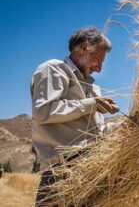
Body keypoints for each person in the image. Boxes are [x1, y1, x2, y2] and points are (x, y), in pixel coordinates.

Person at [30, 27, 119, 206]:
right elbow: (43, 111)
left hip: (90, 171)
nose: (99, 69)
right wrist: (92, 104)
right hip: (61, 172)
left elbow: (97, 134)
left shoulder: (93, 88)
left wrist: (125, 125)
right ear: (84, 48)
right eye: (98, 59)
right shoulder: (54, 69)